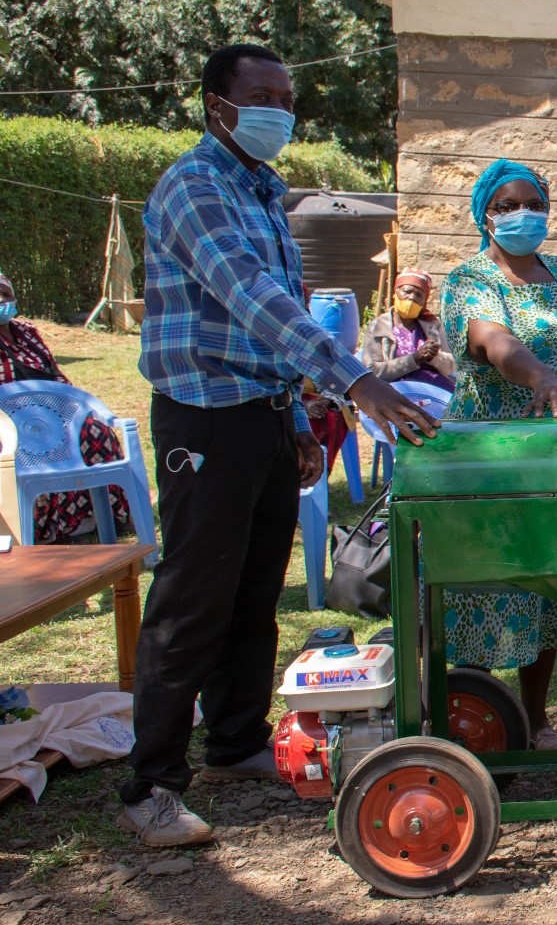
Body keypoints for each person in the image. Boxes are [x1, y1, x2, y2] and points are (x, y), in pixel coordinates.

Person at [122, 44, 438, 846]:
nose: (278, 111)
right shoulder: (195, 187)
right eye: (260, 95)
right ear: (215, 105)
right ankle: (151, 784)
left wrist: (296, 420)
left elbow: (270, 320)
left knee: (257, 590)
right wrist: (352, 381)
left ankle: (233, 742)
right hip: (203, 416)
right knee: (193, 596)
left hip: (261, 410)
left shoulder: (262, 190)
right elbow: (250, 298)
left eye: (286, 98)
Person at [441, 159, 557, 749]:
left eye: (533, 204)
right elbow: (494, 341)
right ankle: (471, 715)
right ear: (485, 216)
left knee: (547, 584)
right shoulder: (470, 280)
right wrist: (539, 375)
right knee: (486, 583)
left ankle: (537, 718)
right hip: (492, 456)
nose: (523, 215)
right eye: (507, 206)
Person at [0, 272, 131, 542]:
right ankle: (42, 527)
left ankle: (99, 517)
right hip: (8, 425)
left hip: (50, 413)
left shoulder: (28, 334)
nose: (2, 301)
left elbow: (58, 379)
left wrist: (68, 410)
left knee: (95, 431)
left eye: (4, 295)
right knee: (28, 445)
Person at [360, 268, 456, 393]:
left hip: (436, 392)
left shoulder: (433, 326)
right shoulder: (379, 326)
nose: (412, 297)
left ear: (425, 301)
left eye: (419, 295)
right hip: (395, 395)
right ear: (395, 293)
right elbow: (372, 371)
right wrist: (414, 359)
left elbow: (452, 367)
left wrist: (434, 357)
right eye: (407, 291)